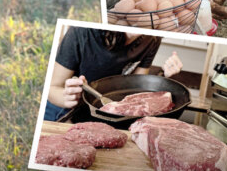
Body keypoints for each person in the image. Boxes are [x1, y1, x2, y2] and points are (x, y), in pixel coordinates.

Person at [45, 27, 182, 122]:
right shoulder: (82, 31)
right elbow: (52, 88)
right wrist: (69, 98)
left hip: (102, 110)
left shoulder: (151, 39)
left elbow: (136, 86)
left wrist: (163, 74)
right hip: (61, 109)